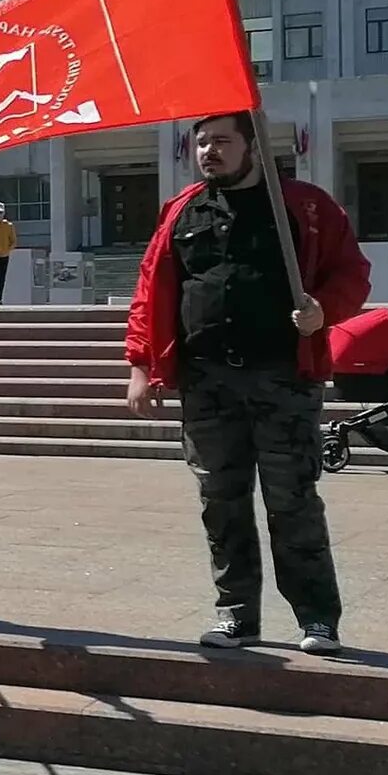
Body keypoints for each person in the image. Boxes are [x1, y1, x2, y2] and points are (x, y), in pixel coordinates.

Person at [124, 109, 370, 655]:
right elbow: (151, 289)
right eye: (203, 143)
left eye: (223, 142)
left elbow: (351, 272)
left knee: (292, 501)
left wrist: (322, 310)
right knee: (221, 501)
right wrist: (142, 364)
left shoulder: (303, 207)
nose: (210, 152)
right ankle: (237, 614)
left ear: (253, 147)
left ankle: (317, 618)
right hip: (207, 381)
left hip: (282, 377)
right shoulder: (182, 210)